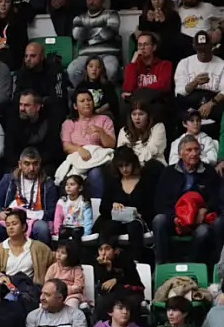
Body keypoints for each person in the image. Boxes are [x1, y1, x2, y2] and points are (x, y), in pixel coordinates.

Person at [153, 134, 223, 264]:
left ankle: (190, 266)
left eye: (197, 149)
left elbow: (217, 198)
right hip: (175, 217)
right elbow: (159, 202)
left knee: (204, 232)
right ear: (180, 154)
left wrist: (205, 209)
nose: (194, 153)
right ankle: (160, 265)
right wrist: (174, 217)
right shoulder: (168, 172)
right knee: (159, 221)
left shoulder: (209, 172)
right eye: (189, 150)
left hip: (200, 219)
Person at [0, 148, 59, 250]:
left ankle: (41, 264)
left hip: (35, 219)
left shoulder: (47, 183)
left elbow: (52, 212)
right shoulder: (8, 180)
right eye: (27, 164)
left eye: (35, 164)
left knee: (42, 228)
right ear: (20, 164)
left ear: (40, 164)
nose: (32, 168)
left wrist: (28, 214)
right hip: (10, 218)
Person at [95, 148, 155, 260]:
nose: (124, 169)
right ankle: (105, 259)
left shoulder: (145, 180)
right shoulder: (113, 182)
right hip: (117, 220)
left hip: (138, 221)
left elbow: (152, 206)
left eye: (127, 165)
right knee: (108, 226)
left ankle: (136, 262)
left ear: (133, 163)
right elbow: (103, 208)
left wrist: (138, 213)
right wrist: (113, 205)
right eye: (121, 166)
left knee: (134, 227)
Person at [62, 88, 116, 198]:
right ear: (75, 106)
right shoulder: (68, 123)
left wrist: (101, 132)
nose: (87, 103)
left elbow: (111, 145)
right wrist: (79, 149)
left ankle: (97, 209)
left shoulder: (104, 119)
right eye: (82, 101)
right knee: (68, 177)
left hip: (99, 160)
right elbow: (66, 146)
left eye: (89, 100)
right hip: (78, 159)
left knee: (95, 173)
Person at [0, 209, 57, 288]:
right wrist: (0, 276)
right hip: (7, 288)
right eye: (8, 225)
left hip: (30, 290)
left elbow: (56, 261)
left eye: (14, 224)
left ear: (23, 227)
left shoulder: (39, 247)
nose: (11, 227)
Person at [68, 0, 121, 85]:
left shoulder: (112, 14)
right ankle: (83, 94)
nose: (91, 1)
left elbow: (108, 33)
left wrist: (88, 37)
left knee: (111, 70)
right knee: (72, 70)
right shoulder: (79, 17)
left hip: (108, 54)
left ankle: (105, 95)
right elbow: (76, 34)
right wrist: (100, 30)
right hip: (85, 55)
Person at [175, 31, 224, 137]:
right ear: (194, 47)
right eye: (200, 50)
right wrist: (194, 82)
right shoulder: (185, 63)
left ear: (211, 46)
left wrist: (211, 103)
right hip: (190, 100)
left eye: (206, 49)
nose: (203, 53)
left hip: (212, 100)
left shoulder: (221, 64)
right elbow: (179, 92)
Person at [13, 43, 71, 122]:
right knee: (11, 110)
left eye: (33, 56)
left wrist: (37, 102)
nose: (28, 59)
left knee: (58, 108)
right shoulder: (23, 71)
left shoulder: (55, 71)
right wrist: (28, 103)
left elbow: (59, 96)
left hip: (47, 107)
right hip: (28, 106)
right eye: (26, 56)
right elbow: (16, 95)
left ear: (42, 57)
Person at [138, 0, 184, 64]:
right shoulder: (144, 16)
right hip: (151, 47)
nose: (157, 2)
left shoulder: (173, 15)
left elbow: (175, 35)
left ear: (165, 0)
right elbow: (143, 34)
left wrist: (164, 22)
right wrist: (148, 22)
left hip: (168, 47)